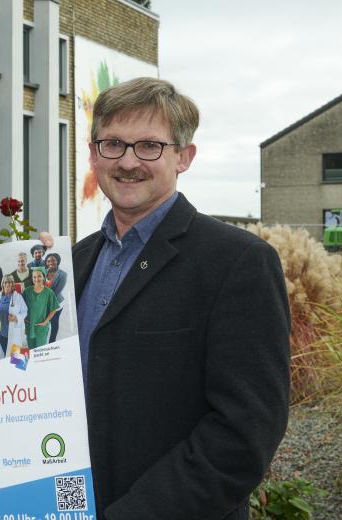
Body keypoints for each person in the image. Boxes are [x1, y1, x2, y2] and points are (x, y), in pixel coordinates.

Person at [74, 77, 289, 518]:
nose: (129, 161)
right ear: (94, 153)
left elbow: (243, 434)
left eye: (149, 146)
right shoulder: (72, 265)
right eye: (113, 144)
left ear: (183, 157)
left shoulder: (238, 262)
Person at [0, 277, 28, 359]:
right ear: (2, 284)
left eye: (10, 282)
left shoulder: (18, 297)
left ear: (13, 284)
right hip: (1, 333)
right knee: (5, 357)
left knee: (18, 360)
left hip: (14, 333)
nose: (8, 284)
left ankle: (18, 371)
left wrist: (16, 318)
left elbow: (25, 311)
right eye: (5, 282)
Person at [22, 269, 58, 348]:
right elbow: (21, 307)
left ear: (43, 277)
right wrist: (23, 318)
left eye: (39, 276)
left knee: (40, 351)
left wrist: (46, 321)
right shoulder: (27, 291)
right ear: (32, 278)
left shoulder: (49, 292)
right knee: (31, 350)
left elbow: (54, 309)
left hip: (41, 328)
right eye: (34, 277)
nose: (36, 279)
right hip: (30, 326)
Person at [43, 253, 68, 342]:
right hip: (44, 302)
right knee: (45, 323)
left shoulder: (63, 274)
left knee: (54, 322)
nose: (51, 262)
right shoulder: (44, 272)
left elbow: (56, 292)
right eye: (48, 261)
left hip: (57, 303)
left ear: (57, 261)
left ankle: (52, 342)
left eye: (53, 260)